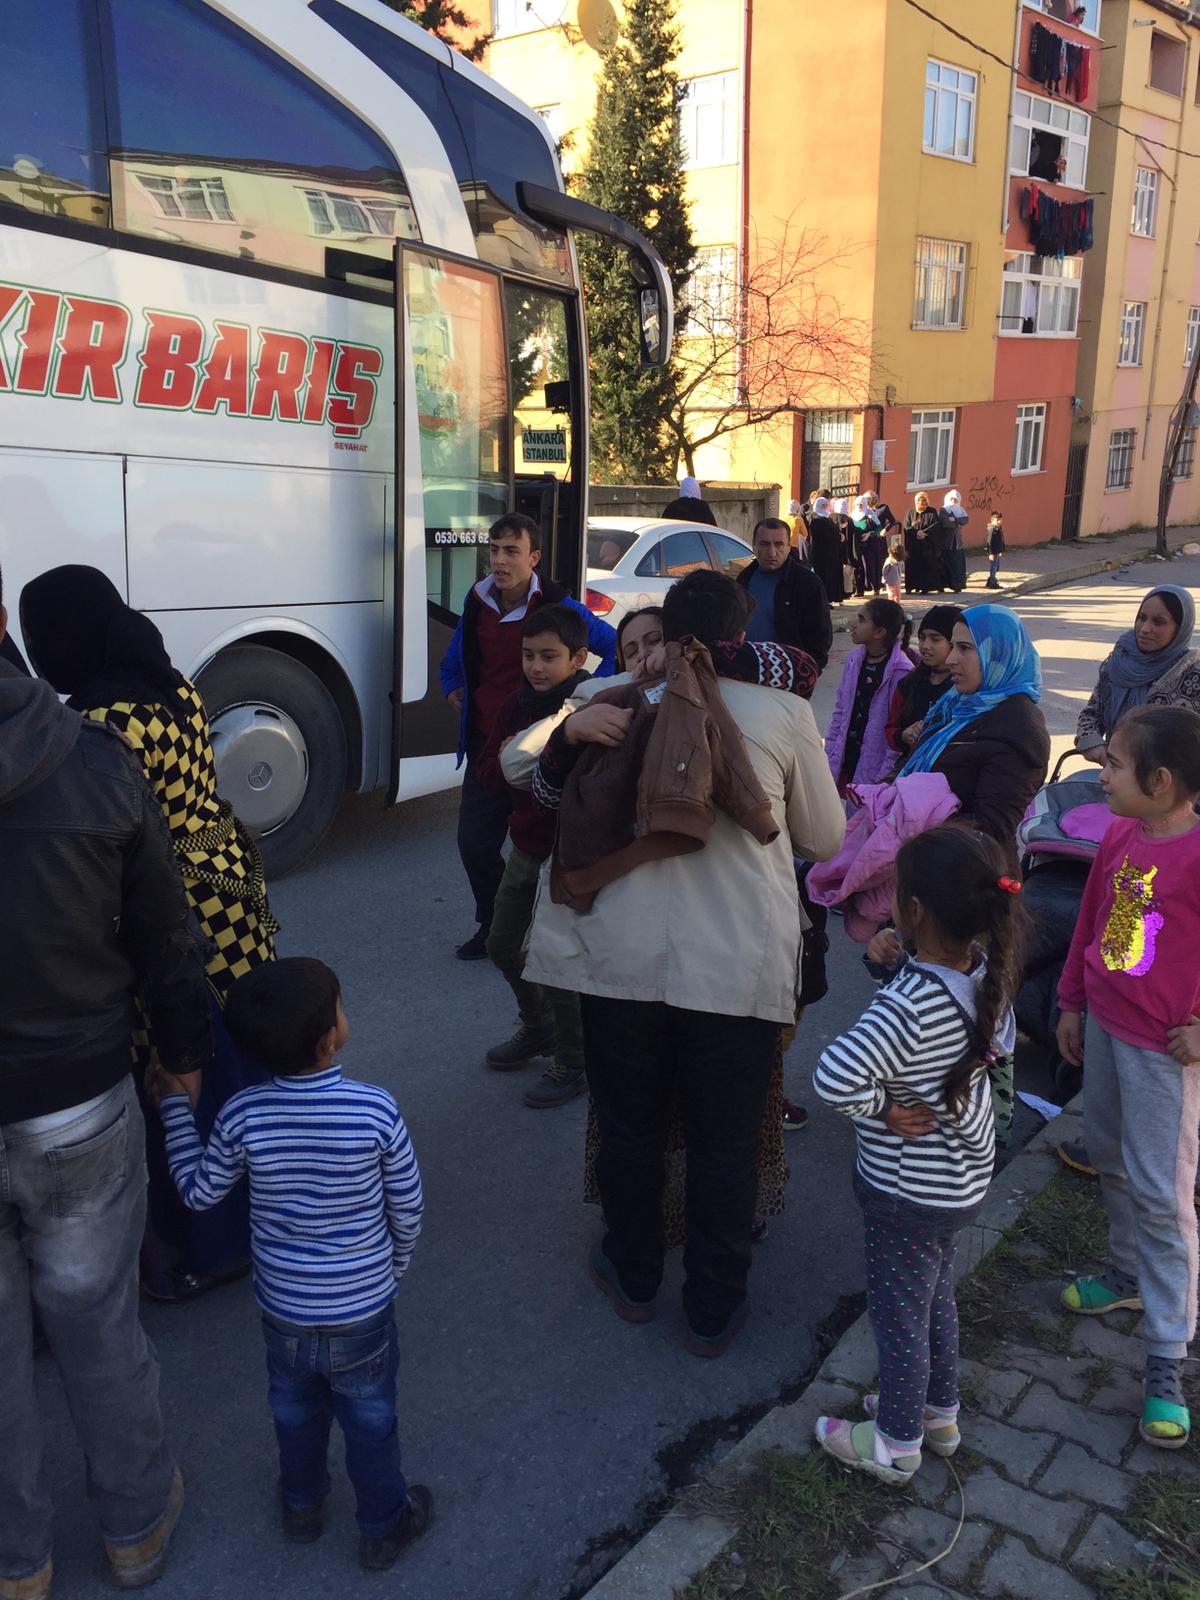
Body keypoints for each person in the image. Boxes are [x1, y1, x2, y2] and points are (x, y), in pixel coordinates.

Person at [523, 571, 845, 1356]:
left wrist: (568, 733)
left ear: (668, 634)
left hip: (619, 963)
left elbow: (521, 773)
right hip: (734, 965)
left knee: (630, 1125)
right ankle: (713, 1305)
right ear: (745, 627)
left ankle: (633, 1273)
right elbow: (824, 839)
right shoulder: (784, 709)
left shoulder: (619, 702)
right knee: (724, 1138)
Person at [0, 570, 213, 1597]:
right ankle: (133, 1526)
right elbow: (165, 933)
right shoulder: (93, 757)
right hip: (78, 1095)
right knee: (97, 1324)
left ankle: (19, 1560)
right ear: (2, 623)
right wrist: (181, 1050)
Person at [19, 565, 278, 1305]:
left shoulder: (102, 724)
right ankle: (256, 1214)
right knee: (243, 1062)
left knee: (184, 1072)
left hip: (172, 906)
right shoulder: (170, 685)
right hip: (225, 878)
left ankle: (211, 1243)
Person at [150, 958, 430, 1568]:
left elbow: (198, 1193)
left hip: (284, 1311)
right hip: (363, 1309)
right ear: (330, 1036)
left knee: (295, 1409)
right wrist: (394, 1268)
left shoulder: (242, 1115)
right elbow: (406, 1207)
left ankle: (302, 1505)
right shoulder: (374, 1110)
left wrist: (176, 1109)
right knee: (371, 1417)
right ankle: (384, 1523)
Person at [813, 825, 1027, 1484]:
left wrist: (882, 1109)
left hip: (907, 1192)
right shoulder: (985, 977)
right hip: (958, 1184)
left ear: (912, 912)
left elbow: (832, 1076)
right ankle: (938, 1412)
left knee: (899, 1315)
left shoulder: (908, 1007)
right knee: (934, 1299)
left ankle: (896, 1444)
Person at [1055, 707, 1200, 1449]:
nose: (1099, 771)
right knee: (1107, 1152)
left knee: (1162, 1194)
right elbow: (1091, 922)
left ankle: (1167, 1355)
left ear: (1161, 781)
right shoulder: (1116, 833)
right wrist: (1072, 1002)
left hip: (1163, 1055)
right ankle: (1125, 1274)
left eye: (1111, 763)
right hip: (1106, 1027)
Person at [898, 607, 1050, 1147]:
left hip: (967, 891)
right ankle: (929, 1111)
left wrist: (916, 818)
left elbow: (991, 824)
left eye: (967, 648)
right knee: (930, 1010)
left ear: (997, 655)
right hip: (930, 877)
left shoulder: (1016, 727)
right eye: (954, 646)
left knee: (976, 1016)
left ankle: (985, 1133)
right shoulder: (959, 707)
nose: (954, 658)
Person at [438, 513, 617, 961]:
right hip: (487, 745)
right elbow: (456, 654)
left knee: (543, 845)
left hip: (544, 748)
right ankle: (496, 922)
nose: (499, 560)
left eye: (511, 551)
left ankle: (551, 929)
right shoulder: (477, 599)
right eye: (494, 550)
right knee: (475, 842)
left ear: (533, 557)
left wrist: (587, 698)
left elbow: (613, 646)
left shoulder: (557, 604)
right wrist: (452, 685)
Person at [478, 606, 590, 1108]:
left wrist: (538, 756)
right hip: (524, 847)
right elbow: (487, 772)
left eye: (549, 656)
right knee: (503, 944)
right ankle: (539, 1027)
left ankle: (575, 1059)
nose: (537, 667)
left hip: (567, 856)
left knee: (556, 963)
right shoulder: (513, 706)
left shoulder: (591, 707)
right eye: (529, 655)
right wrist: (508, 759)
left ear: (578, 657)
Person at [1075, 586, 1200, 763]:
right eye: (1142, 618)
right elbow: (1092, 714)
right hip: (1117, 779)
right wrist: (1093, 744)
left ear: (1180, 628)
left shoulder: (1192, 672)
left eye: (1158, 622)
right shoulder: (1119, 662)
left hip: (1174, 784)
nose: (1145, 629)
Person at [824, 599, 917, 792]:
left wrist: (883, 776)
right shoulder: (854, 660)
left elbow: (896, 728)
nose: (854, 625)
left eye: (861, 620)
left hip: (876, 767)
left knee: (866, 816)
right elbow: (841, 710)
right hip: (848, 754)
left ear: (879, 632)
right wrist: (829, 753)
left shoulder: (901, 671)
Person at [737, 517, 833, 670]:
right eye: (764, 544)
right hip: (747, 672)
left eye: (779, 544)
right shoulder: (744, 579)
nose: (772, 552)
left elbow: (820, 639)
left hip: (788, 675)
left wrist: (804, 673)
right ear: (755, 546)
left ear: (789, 546)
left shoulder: (807, 583)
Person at [886, 605, 965, 757]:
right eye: (922, 638)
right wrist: (903, 735)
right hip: (911, 768)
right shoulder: (909, 683)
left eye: (935, 639)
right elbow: (891, 729)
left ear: (954, 642)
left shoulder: (964, 687)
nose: (925, 646)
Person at [903, 493, 944, 595]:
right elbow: (906, 526)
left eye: (923, 501)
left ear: (926, 502)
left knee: (926, 565)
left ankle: (924, 588)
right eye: (918, 501)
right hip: (913, 544)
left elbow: (935, 525)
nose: (921, 504)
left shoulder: (932, 512)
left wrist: (924, 533)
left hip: (926, 544)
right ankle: (910, 587)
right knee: (912, 565)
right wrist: (916, 532)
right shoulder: (910, 512)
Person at [807, 496, 845, 605]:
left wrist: (839, 535)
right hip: (822, 554)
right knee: (825, 576)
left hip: (832, 553)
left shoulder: (826, 518)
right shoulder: (815, 519)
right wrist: (838, 537)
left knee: (832, 576)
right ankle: (825, 599)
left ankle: (833, 597)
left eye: (826, 505)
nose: (825, 507)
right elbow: (823, 535)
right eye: (822, 505)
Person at [853, 495, 887, 596]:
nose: (859, 506)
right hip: (858, 545)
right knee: (859, 568)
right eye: (858, 504)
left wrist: (869, 534)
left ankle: (875, 587)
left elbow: (879, 528)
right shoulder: (853, 515)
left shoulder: (870, 514)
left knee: (871, 566)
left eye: (861, 504)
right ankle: (860, 590)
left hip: (870, 545)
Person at [939, 490, 969, 593]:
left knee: (957, 565)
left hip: (957, 543)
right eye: (951, 499)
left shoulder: (960, 509)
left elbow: (965, 520)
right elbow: (946, 523)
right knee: (945, 564)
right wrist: (958, 522)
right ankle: (942, 585)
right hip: (946, 542)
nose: (953, 501)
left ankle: (957, 585)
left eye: (955, 499)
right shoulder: (944, 510)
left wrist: (955, 520)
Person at [984, 513, 1005, 590]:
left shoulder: (998, 528)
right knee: (993, 567)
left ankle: (990, 581)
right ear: (993, 520)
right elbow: (989, 542)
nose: (999, 522)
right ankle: (992, 583)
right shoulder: (992, 529)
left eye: (1000, 520)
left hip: (997, 551)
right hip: (993, 552)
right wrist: (990, 553)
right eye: (997, 520)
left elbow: (1001, 540)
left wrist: (1002, 550)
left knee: (996, 567)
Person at [882, 539, 905, 604]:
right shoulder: (890, 561)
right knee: (893, 593)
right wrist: (885, 577)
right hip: (892, 581)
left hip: (895, 580)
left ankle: (896, 604)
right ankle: (893, 604)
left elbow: (884, 570)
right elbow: (884, 570)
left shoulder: (899, 561)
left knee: (896, 594)